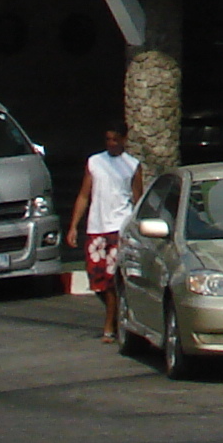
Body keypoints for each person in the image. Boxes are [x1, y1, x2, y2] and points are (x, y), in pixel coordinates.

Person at [77, 123, 144, 343]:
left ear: (124, 139)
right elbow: (84, 196)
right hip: (97, 228)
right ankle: (118, 316)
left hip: (119, 226)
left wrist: (138, 228)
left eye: (116, 139)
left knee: (112, 280)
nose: (112, 144)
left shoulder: (132, 165)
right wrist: (73, 226)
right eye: (108, 140)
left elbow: (137, 199)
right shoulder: (95, 162)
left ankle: (109, 326)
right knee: (97, 280)